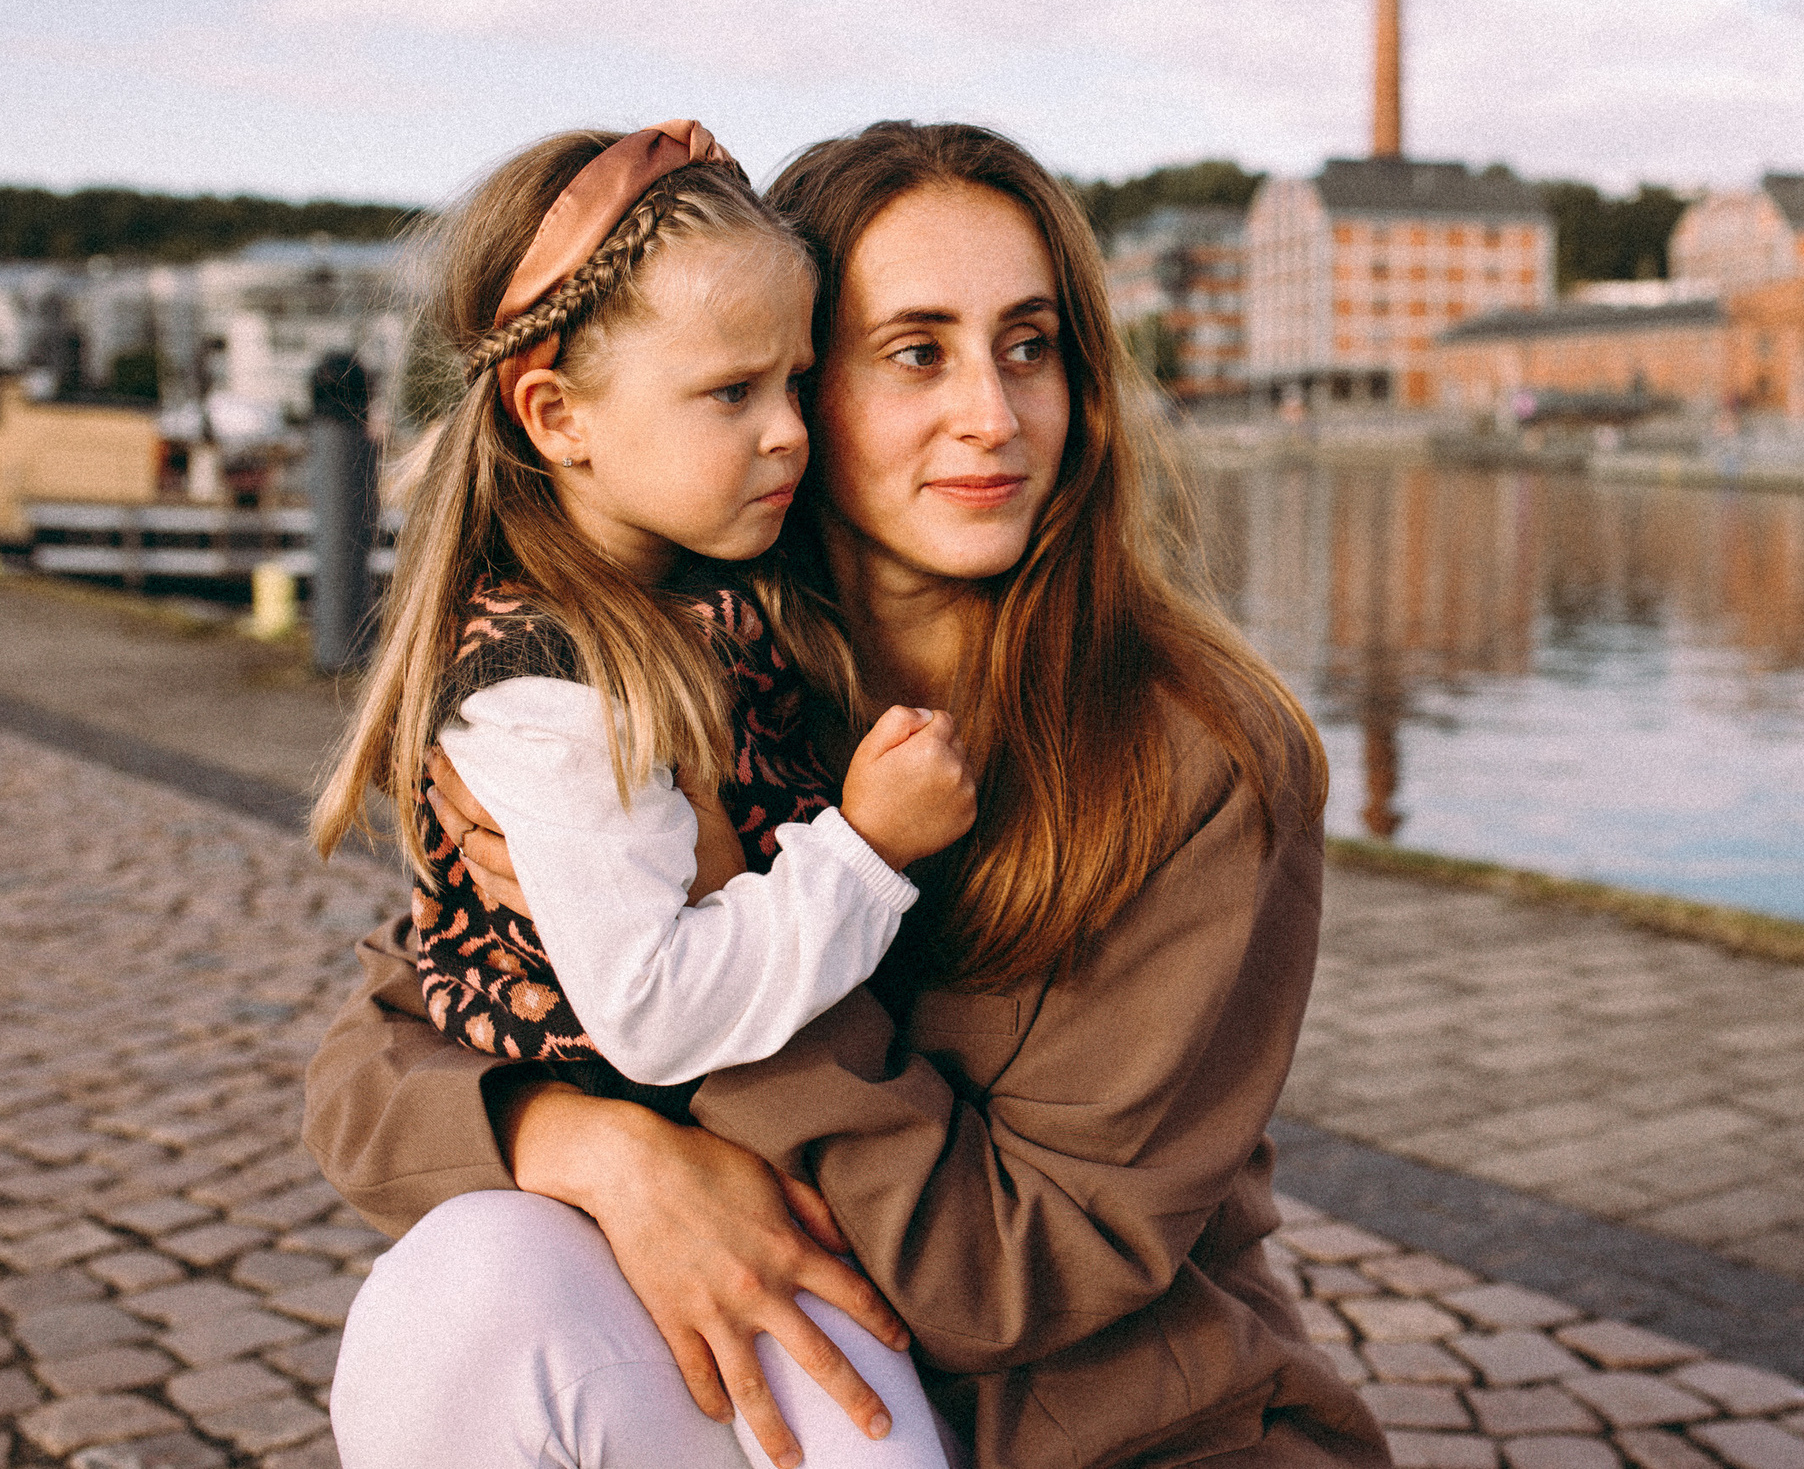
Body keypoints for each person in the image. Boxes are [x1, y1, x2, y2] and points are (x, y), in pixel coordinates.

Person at [306, 121, 1392, 1469]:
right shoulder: (679, 671)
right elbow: (377, 1059)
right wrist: (600, 1151)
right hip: (797, 1392)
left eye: (1031, 345)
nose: (993, 414)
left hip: (1120, 1438)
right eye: (916, 352)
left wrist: (729, 929)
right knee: (466, 1287)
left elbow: (1015, 1277)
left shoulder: (1198, 757)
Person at [309, 122, 973, 1467]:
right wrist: (868, 849)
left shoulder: (704, 601)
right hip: (664, 1192)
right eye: (732, 393)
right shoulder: (551, 693)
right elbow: (656, 1009)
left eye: (797, 380)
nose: (789, 432)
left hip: (780, 1191)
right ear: (557, 417)